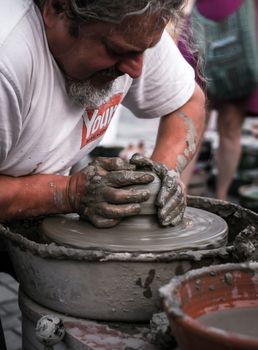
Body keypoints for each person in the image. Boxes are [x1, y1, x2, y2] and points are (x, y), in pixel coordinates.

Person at [0, 0, 205, 228]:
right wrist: (68, 193)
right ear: (57, 8)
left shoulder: (132, 28)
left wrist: (162, 177)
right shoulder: (8, 58)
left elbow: (187, 101)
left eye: (144, 50)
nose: (136, 72)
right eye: (115, 51)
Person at [181, 0, 258, 201]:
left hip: (243, 23)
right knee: (192, 125)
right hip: (201, 24)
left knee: (230, 127)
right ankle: (180, 194)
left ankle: (221, 199)